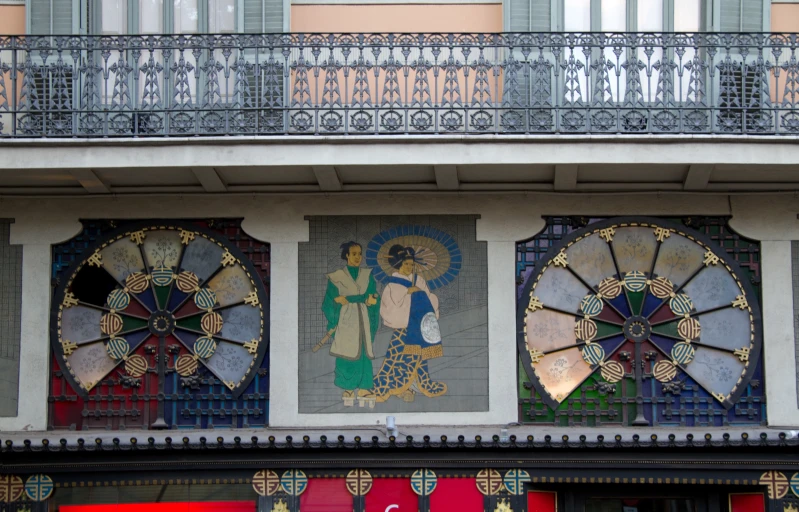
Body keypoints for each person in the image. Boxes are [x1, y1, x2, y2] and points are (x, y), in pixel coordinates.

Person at [372, 244, 447, 403]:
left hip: (419, 328)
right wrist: (408, 294)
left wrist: (418, 293)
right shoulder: (393, 285)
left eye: (411, 264)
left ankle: (414, 387)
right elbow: (390, 309)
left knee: (419, 359)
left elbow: (430, 299)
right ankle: (401, 388)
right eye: (406, 264)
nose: (409, 267)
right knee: (398, 359)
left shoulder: (419, 280)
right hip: (404, 330)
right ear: (398, 264)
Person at [321, 241, 380, 407]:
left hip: (363, 318)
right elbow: (329, 302)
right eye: (354, 254)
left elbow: (373, 294)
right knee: (346, 352)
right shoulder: (337, 277)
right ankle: (347, 388)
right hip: (346, 319)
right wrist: (335, 314)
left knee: (363, 352)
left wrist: (372, 299)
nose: (357, 257)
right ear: (346, 255)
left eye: (359, 254)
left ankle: (364, 388)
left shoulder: (367, 275)